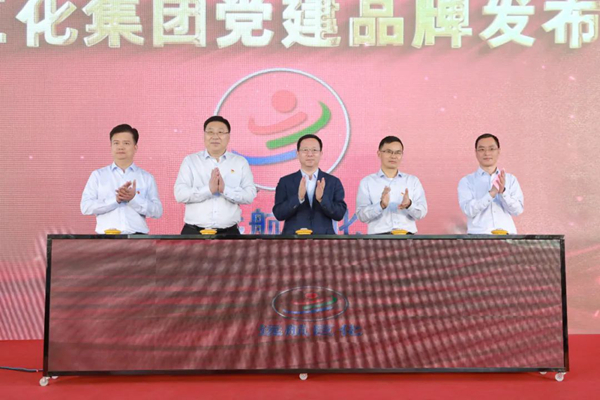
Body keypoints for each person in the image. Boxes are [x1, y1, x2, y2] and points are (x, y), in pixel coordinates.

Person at [174, 116, 256, 235]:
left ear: (228, 137)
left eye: (221, 132)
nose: (215, 137)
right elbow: (180, 194)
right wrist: (208, 190)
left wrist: (225, 190)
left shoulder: (240, 162)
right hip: (194, 232)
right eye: (210, 132)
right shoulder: (190, 161)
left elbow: (249, 196)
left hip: (229, 233)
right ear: (204, 135)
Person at [81, 124, 163, 234]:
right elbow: (86, 207)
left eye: (126, 143)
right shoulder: (98, 176)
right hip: (107, 238)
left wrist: (133, 199)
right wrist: (115, 200)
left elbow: (157, 211)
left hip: (138, 238)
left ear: (135, 147)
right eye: (116, 143)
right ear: (111, 146)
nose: (120, 147)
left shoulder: (146, 177)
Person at [273, 134, 347, 234]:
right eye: (305, 150)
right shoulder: (285, 182)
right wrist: (298, 198)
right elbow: (278, 214)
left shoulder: (333, 182)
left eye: (314, 150)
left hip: (324, 240)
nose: (310, 154)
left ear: (321, 153)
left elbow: (339, 214)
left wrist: (322, 199)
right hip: (293, 239)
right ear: (297, 153)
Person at [356, 136, 427, 234]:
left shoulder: (412, 181)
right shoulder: (367, 182)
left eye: (398, 152)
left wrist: (409, 205)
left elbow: (421, 213)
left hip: (407, 237)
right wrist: (380, 205)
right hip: (378, 238)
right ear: (379, 153)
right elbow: (361, 216)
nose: (393, 156)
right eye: (389, 152)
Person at [458, 133, 524, 234]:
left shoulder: (510, 179)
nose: (487, 153)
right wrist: (491, 194)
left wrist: (503, 192)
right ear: (476, 152)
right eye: (482, 149)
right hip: (478, 237)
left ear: (498, 151)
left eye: (491, 149)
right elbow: (468, 210)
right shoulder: (466, 181)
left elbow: (517, 210)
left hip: (507, 237)